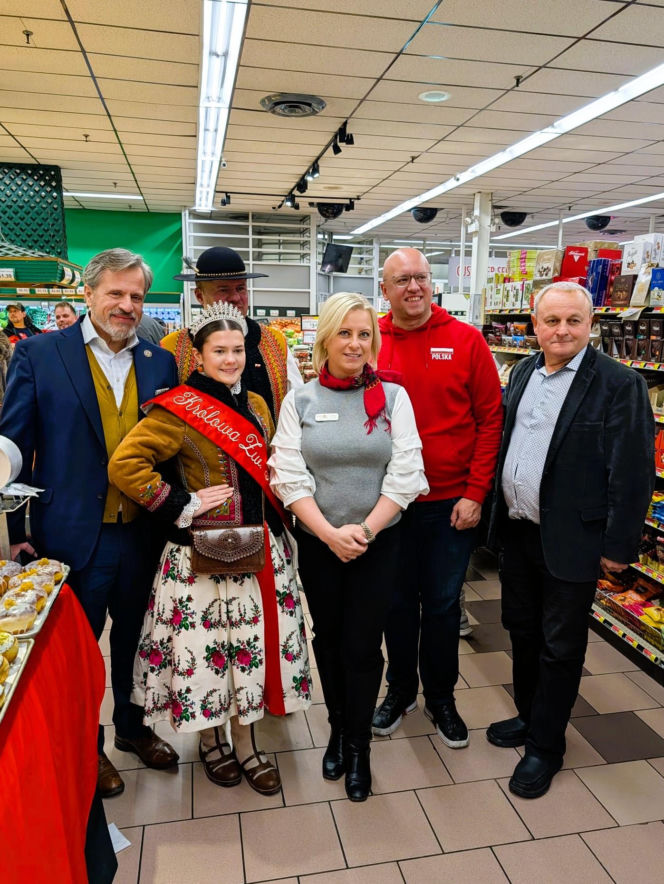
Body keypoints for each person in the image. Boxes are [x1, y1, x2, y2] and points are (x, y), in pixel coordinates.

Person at [108, 302, 310, 795]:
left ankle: (247, 741)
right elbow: (125, 466)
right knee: (209, 652)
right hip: (202, 555)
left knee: (252, 654)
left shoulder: (260, 407)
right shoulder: (176, 408)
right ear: (197, 357)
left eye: (238, 350)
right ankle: (212, 740)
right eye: (219, 350)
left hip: (261, 549)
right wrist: (183, 501)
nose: (230, 359)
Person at [0, 248, 180, 798]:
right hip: (75, 533)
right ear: (88, 293)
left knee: (136, 636)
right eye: (116, 293)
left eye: (136, 296)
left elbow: (169, 451)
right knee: (78, 649)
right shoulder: (38, 353)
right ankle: (87, 742)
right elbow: (15, 440)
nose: (127, 305)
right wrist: (18, 534)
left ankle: (132, 727)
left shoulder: (159, 361)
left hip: (143, 533)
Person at [487, 281, 654, 798]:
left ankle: (546, 745)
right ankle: (529, 715)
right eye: (551, 321)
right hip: (518, 530)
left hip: (573, 540)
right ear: (534, 325)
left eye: (573, 321)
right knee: (521, 629)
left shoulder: (618, 383)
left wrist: (618, 548)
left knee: (560, 647)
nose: (561, 331)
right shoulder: (522, 370)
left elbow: (633, 473)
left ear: (590, 326)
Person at [269, 292, 428, 801]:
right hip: (319, 544)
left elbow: (407, 473)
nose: (355, 343)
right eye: (345, 333)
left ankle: (358, 745)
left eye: (364, 334)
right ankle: (337, 728)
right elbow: (288, 474)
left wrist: (364, 531)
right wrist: (327, 533)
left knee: (363, 646)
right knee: (329, 640)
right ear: (325, 340)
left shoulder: (394, 399)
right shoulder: (301, 401)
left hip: (377, 543)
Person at [372, 248, 503, 748]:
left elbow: (491, 420)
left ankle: (442, 697)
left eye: (421, 278)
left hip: (452, 503)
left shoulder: (466, 341)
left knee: (444, 606)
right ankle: (400, 690)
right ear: (385, 289)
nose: (414, 287)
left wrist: (476, 493)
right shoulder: (371, 341)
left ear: (433, 283)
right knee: (397, 604)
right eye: (402, 279)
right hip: (390, 505)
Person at [162, 246, 302, 421]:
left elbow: (296, 402)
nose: (235, 297)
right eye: (223, 290)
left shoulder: (275, 341)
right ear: (199, 296)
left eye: (241, 288)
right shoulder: (172, 347)